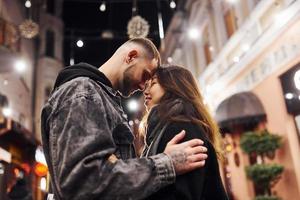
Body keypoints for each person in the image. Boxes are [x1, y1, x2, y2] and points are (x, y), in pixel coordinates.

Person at [41, 38, 208, 200]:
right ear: (131, 56)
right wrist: (167, 163)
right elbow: (82, 182)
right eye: (145, 75)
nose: (144, 87)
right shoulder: (83, 92)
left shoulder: (102, 99)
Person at [141, 65, 229, 200]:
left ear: (173, 86)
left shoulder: (182, 128)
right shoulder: (165, 128)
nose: (145, 91)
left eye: (153, 83)